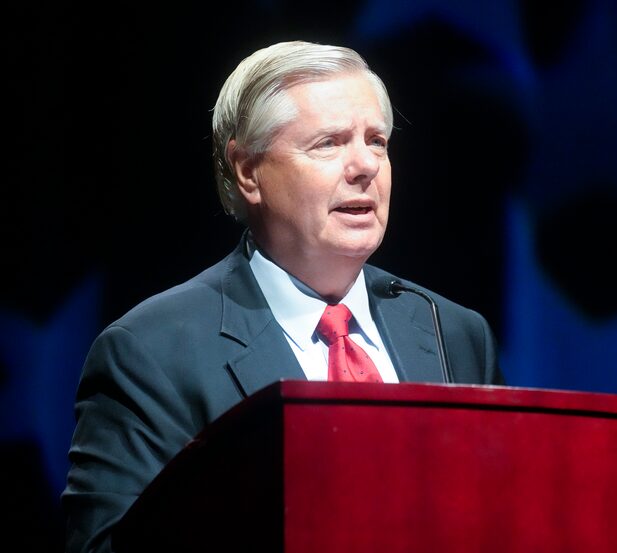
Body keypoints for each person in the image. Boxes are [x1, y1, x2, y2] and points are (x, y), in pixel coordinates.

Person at [61, 40, 503, 553]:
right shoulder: (152, 352)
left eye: (376, 141)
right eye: (329, 143)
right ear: (248, 172)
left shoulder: (453, 333)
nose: (365, 166)